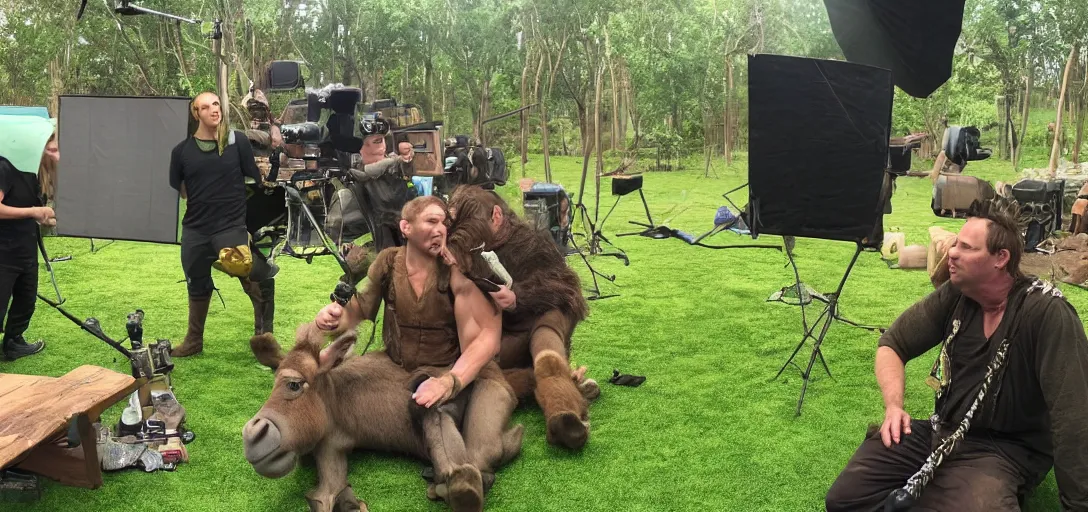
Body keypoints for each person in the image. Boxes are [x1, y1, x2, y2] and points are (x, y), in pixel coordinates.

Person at [825, 197, 1088, 512]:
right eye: (956, 244)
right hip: (942, 429)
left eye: (967, 248)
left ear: (1000, 258)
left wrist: (1077, 504)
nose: (951, 252)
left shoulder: (1046, 313)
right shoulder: (958, 293)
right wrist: (894, 407)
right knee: (845, 499)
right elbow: (893, 343)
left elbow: (1074, 419)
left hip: (1004, 449)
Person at [313, 195, 520, 508]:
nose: (440, 230)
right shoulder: (388, 262)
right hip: (399, 365)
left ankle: (497, 450)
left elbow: (485, 340)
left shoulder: (456, 269)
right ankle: (457, 475)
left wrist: (450, 381)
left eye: (444, 223)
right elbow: (360, 308)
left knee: (481, 455)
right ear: (406, 227)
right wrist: (334, 318)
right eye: (431, 221)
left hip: (458, 367)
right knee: (410, 405)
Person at [168, 92, 278, 358]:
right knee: (196, 282)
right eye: (205, 107)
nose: (213, 110)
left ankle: (264, 340)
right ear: (196, 114)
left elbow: (254, 179)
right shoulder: (181, 151)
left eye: (216, 104)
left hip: (229, 226)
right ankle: (194, 341)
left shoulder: (237, 141)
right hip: (195, 229)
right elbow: (180, 188)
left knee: (254, 273)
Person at [0, 114, 58, 360]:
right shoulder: (4, 166)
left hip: (25, 247)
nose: (56, 155)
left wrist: (41, 216)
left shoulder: (32, 173)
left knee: (26, 298)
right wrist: (33, 211)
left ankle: (13, 342)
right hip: (3, 250)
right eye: (52, 149)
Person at [346, 116, 415, 253]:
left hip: (401, 227)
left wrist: (407, 160)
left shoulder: (389, 167)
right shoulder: (359, 171)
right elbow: (368, 172)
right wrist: (396, 160)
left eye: (384, 140)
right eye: (377, 141)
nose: (383, 146)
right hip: (385, 233)